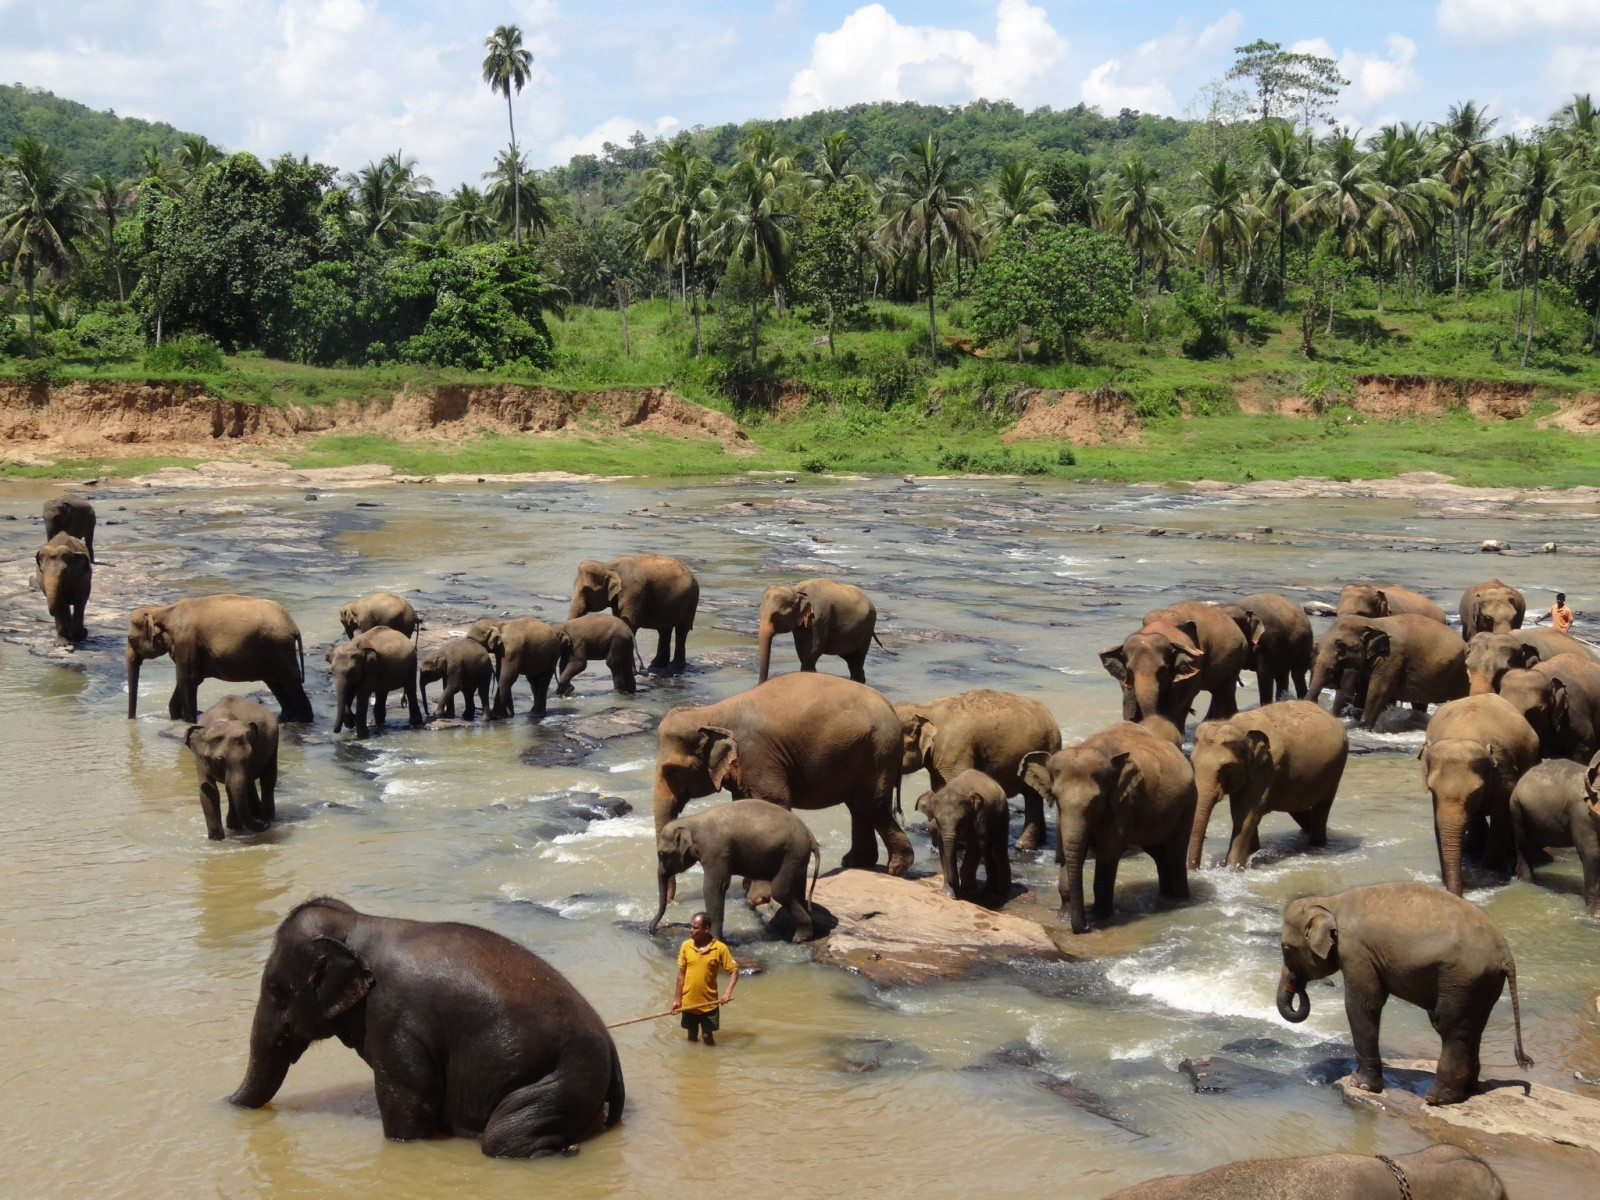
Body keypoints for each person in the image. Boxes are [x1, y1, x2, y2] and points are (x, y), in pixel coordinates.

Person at [672, 911, 738, 1046]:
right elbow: (681, 974)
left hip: (709, 1004)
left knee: (708, 1037)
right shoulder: (686, 946)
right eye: (691, 927)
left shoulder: (720, 948)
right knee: (691, 1036)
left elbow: (734, 971)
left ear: (706, 929)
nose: (691, 930)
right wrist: (677, 1000)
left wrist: (727, 993)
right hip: (689, 1003)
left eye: (695, 928)